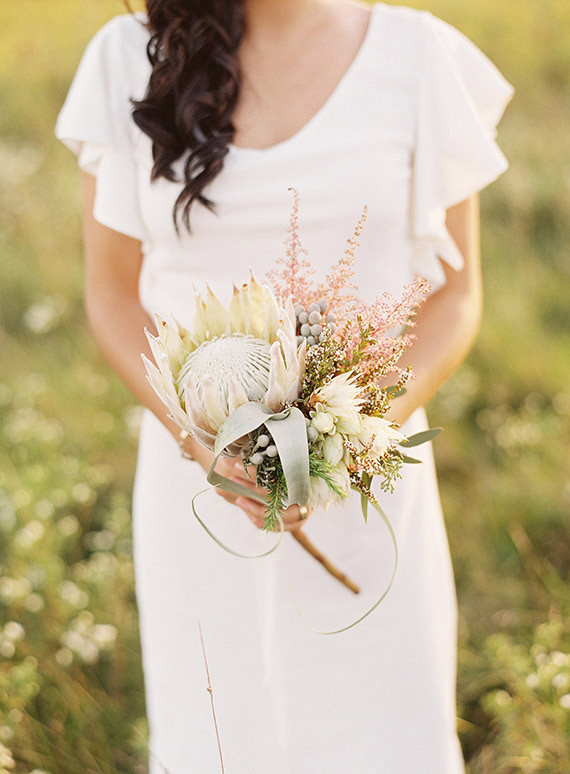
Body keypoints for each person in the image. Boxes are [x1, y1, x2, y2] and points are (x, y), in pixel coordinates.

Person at [55, 0, 514, 771]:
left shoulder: (418, 57)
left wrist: (347, 436)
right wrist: (201, 441)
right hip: (198, 488)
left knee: (383, 737)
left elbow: (456, 295)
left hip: (371, 487)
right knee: (220, 738)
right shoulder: (126, 56)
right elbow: (112, 296)